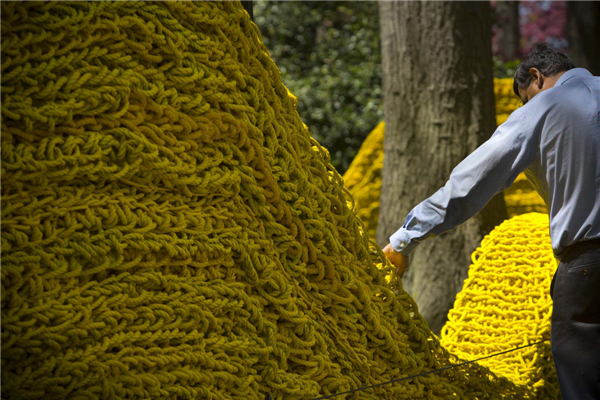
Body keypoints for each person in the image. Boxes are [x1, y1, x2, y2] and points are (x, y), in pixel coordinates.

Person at [382, 43, 600, 400]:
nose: (523, 107)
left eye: (524, 98)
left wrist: (407, 237)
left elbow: (472, 182)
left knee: (583, 377)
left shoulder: (543, 107)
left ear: (536, 77)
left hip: (588, 264)